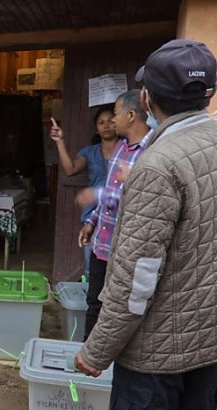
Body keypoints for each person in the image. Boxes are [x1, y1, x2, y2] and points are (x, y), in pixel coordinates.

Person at [74, 40, 217, 410]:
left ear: (146, 97)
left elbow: (136, 279)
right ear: (208, 91)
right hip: (213, 337)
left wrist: (96, 350)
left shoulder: (157, 165)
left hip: (159, 351)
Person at [76, 89, 150, 338]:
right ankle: (88, 357)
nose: (112, 120)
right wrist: (91, 222)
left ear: (131, 116)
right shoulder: (121, 148)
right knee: (94, 304)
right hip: (101, 244)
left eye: (116, 114)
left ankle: (112, 364)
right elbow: (111, 190)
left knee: (120, 309)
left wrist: (94, 195)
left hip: (125, 249)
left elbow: (139, 197)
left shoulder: (151, 152)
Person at [50, 107, 118, 277]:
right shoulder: (90, 152)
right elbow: (70, 169)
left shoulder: (128, 150)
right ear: (96, 127)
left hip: (120, 214)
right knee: (92, 270)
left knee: (118, 270)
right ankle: (91, 301)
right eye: (101, 122)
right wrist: (60, 141)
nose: (106, 126)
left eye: (110, 121)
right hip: (93, 217)